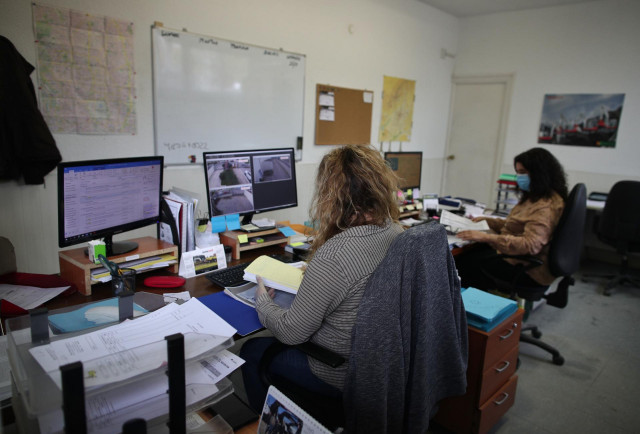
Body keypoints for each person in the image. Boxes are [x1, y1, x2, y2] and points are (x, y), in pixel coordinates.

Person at [240, 144, 404, 411]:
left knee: (251, 351)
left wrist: (263, 302)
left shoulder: (336, 253)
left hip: (338, 369)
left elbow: (290, 333)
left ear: (331, 193)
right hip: (380, 365)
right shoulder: (394, 230)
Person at [455, 147, 568, 290]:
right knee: (470, 254)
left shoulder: (545, 206)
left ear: (539, 173)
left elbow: (530, 245)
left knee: (461, 264)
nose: (519, 178)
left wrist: (486, 237)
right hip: (517, 257)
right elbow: (516, 225)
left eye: (522, 173)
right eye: (517, 172)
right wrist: (489, 221)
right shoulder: (536, 196)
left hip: (528, 269)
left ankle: (470, 307)